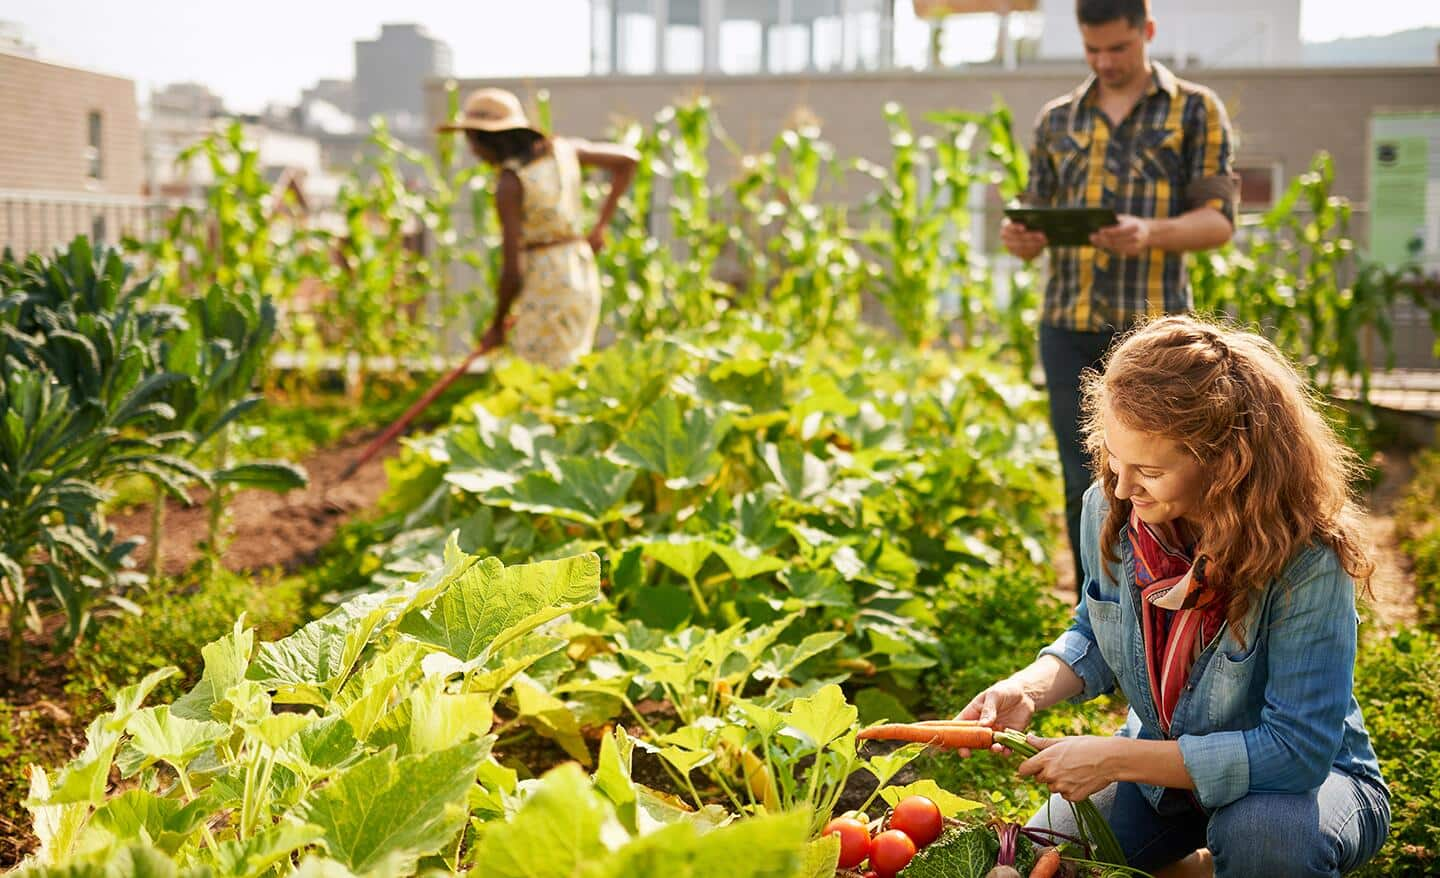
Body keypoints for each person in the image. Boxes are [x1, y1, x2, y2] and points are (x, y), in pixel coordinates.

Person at [955, 316, 1390, 877]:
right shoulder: (1111, 510)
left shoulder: (1305, 559)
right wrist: (1027, 689)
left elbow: (1295, 752)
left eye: (1150, 471)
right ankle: (1200, 866)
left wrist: (1114, 758)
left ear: (1226, 465)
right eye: (1114, 457)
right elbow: (1095, 628)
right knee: (1044, 854)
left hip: (1305, 784)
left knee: (1263, 837)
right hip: (1162, 775)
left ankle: (1219, 860)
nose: (1121, 485)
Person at [999, 0, 1239, 594]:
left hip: (1154, 334)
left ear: (1147, 32)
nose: (1105, 61)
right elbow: (1033, 228)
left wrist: (1148, 233)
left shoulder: (1195, 110)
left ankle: (1171, 598)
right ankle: (1097, 610)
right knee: (1082, 474)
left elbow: (1219, 223)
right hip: (1066, 322)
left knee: (1166, 475)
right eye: (1093, 50)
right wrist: (1020, 238)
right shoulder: (1057, 120)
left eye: (1118, 48)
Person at [439, 88, 638, 370]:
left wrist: (496, 325)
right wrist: (599, 228)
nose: (472, 150)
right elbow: (629, 159)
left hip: (545, 284)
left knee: (537, 379)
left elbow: (512, 270)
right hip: (579, 269)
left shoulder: (511, 182)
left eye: (472, 140)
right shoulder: (563, 151)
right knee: (569, 369)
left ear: (489, 139)